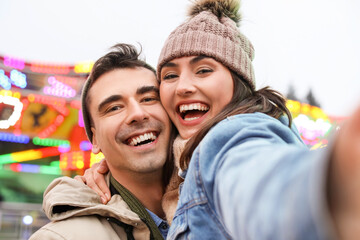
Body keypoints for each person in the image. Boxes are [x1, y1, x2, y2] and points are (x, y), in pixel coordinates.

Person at [77, 0, 360, 239]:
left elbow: (256, 178)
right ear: (94, 137)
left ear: (237, 83)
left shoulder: (230, 138)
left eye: (203, 70)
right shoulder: (182, 163)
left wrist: (330, 186)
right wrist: (113, 170)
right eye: (170, 75)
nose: (184, 86)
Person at [30, 43, 175, 240]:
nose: (138, 114)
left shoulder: (221, 197)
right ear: (95, 139)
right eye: (114, 108)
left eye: (149, 98)